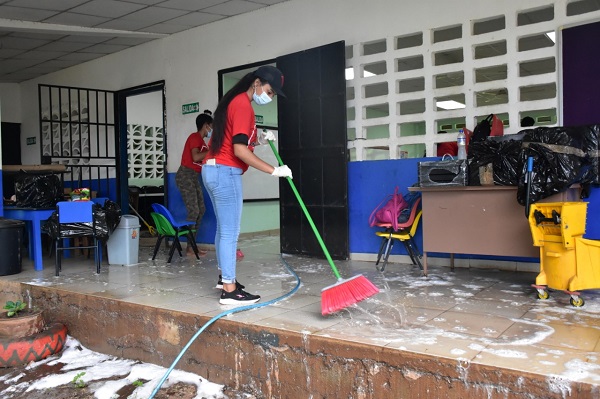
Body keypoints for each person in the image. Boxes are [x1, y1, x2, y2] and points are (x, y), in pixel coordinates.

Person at [202, 65, 292, 305]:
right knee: (231, 231)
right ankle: (230, 290)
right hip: (224, 172)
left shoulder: (233, 102)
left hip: (211, 170)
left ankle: (224, 279)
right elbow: (239, 150)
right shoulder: (243, 104)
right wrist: (274, 170)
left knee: (223, 229)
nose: (270, 97)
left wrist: (260, 139)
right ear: (257, 83)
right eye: (270, 91)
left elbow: (235, 140)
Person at [175, 110, 213, 256]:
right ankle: (190, 247)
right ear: (205, 126)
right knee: (194, 211)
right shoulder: (194, 137)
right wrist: (211, 151)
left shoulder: (202, 142)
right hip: (185, 175)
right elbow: (196, 157)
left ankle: (192, 244)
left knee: (201, 209)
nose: (211, 130)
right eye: (210, 126)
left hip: (194, 176)